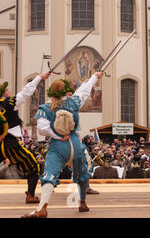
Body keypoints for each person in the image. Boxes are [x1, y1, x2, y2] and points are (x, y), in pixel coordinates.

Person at [22, 72, 103, 218]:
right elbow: (84, 90)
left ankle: (42, 208)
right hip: (76, 144)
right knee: (82, 174)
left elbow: (42, 128)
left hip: (59, 146)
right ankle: (82, 203)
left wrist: (58, 136)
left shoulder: (45, 108)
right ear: (65, 91)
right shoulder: (73, 102)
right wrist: (95, 76)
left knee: (49, 175)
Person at [0, 71, 51, 204]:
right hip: (11, 142)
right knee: (33, 165)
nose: (9, 91)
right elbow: (26, 92)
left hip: (3, 142)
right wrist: (39, 77)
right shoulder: (9, 103)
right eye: (6, 89)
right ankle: (31, 195)